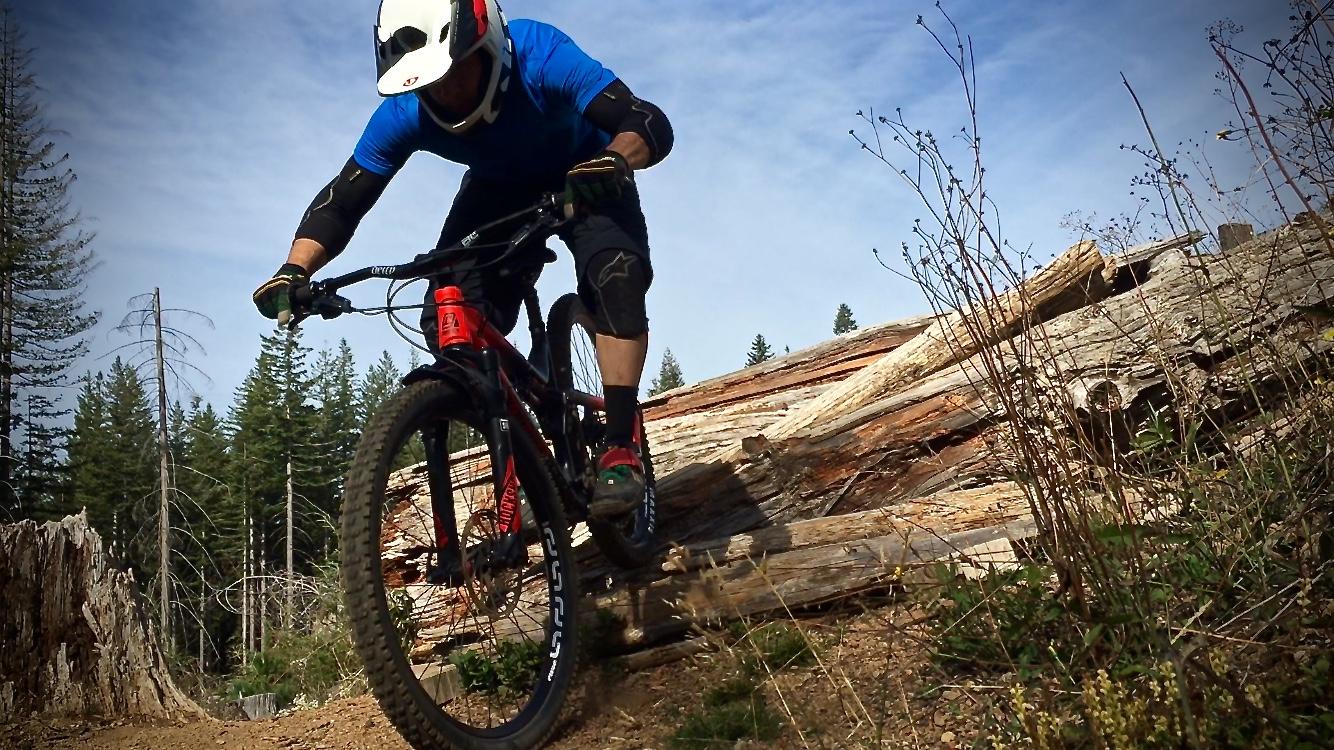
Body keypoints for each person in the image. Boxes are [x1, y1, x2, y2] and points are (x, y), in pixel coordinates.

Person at [252, 0, 672, 518]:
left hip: (586, 171)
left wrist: (615, 159)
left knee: (616, 277)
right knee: (448, 316)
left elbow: (645, 119)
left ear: (488, 47)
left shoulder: (540, 54)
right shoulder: (406, 112)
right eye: (426, 83)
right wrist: (294, 271)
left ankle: (619, 445)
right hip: (498, 192)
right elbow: (342, 203)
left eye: (452, 73)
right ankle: (515, 430)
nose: (442, 92)